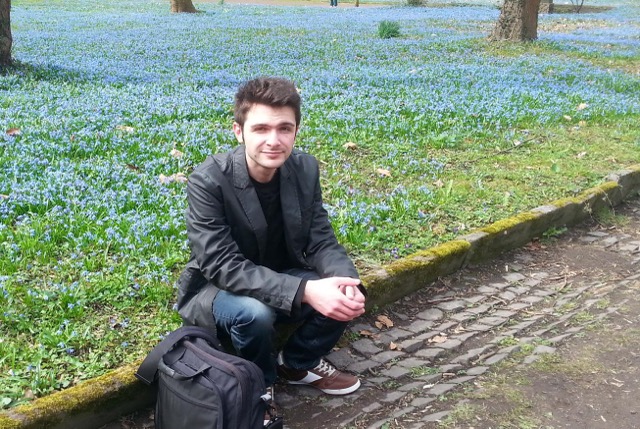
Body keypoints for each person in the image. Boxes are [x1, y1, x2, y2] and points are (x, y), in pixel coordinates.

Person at [176, 77, 367, 412]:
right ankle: (258, 387)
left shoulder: (304, 169)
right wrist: (305, 291)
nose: (274, 141)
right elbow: (222, 266)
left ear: (296, 131)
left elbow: (321, 238)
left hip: (281, 275)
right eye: (261, 129)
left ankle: (297, 363)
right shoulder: (209, 180)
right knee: (255, 314)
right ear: (239, 131)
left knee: (347, 290)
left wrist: (346, 281)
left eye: (284, 129)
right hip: (218, 289)